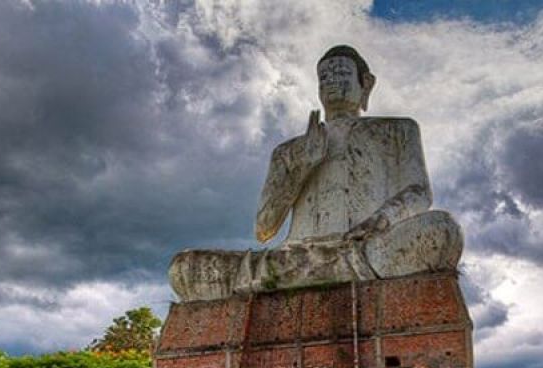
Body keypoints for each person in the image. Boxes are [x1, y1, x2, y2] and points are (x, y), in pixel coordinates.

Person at [169, 45, 463, 302]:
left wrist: (380, 221)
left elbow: (419, 193)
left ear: (366, 84)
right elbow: (264, 228)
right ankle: (328, 269)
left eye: (342, 75)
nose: (332, 83)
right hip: (294, 257)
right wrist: (302, 167)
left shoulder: (397, 130)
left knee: (442, 229)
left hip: (367, 250)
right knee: (185, 266)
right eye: (324, 78)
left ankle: (330, 267)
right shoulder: (289, 150)